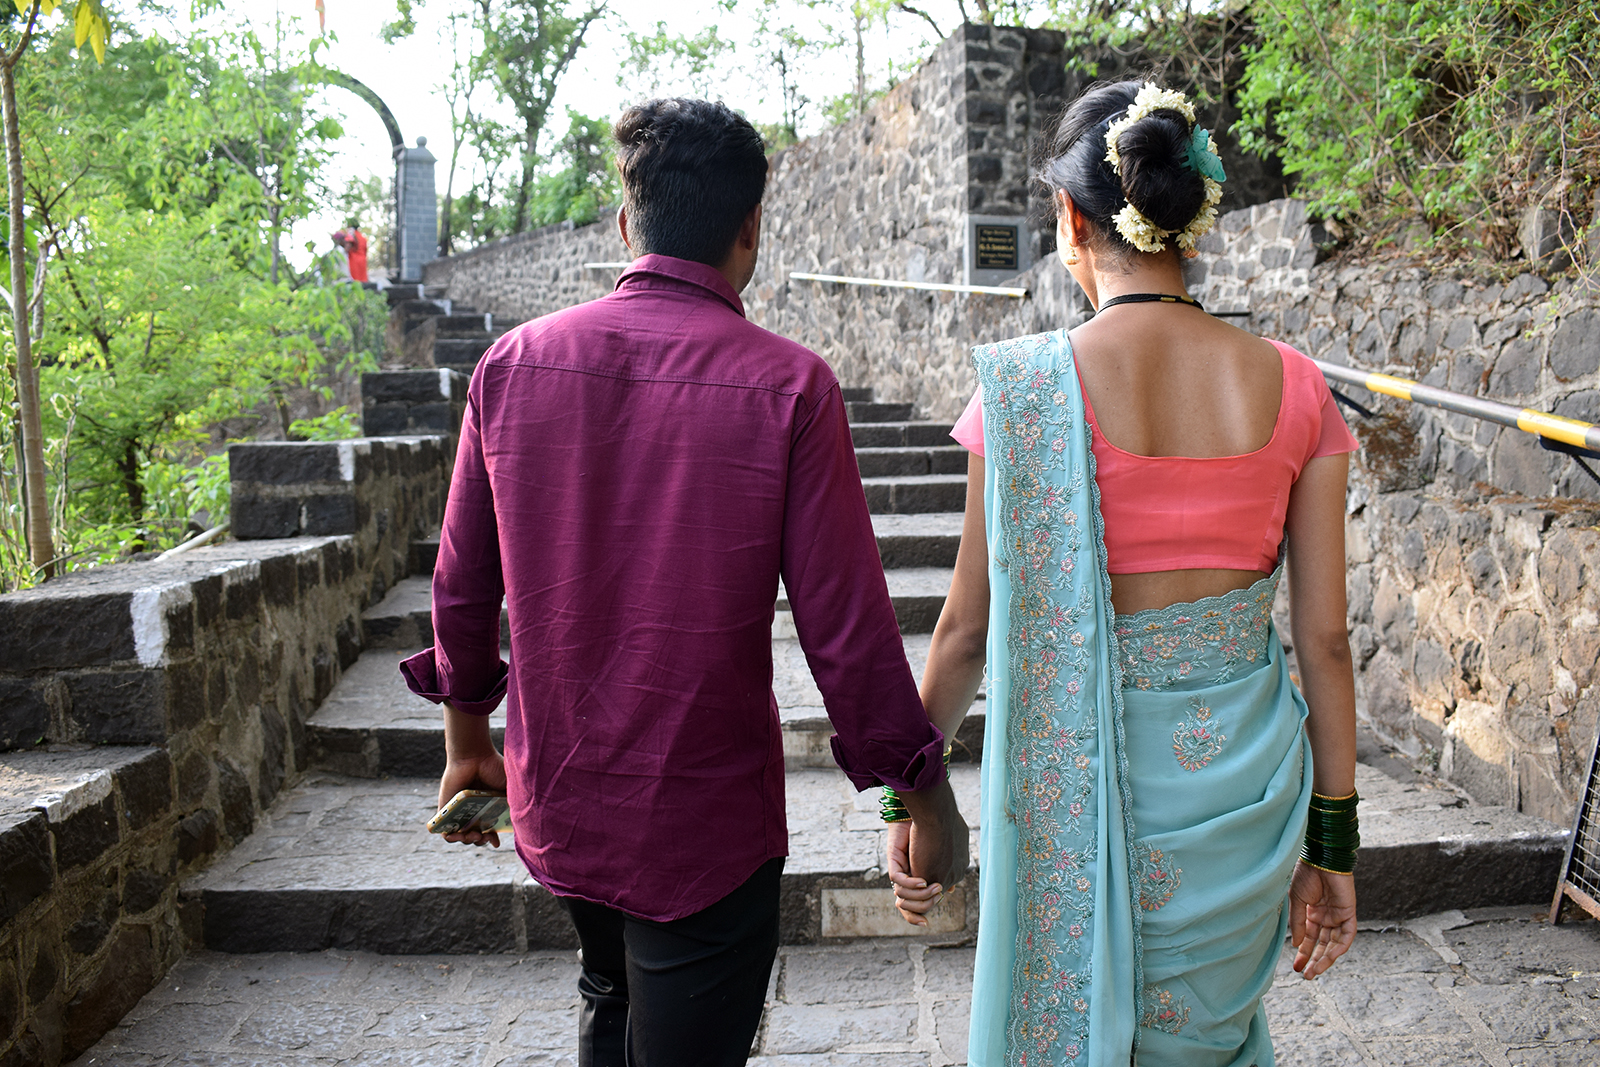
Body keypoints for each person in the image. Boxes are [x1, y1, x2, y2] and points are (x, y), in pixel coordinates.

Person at [398, 97, 968, 1066]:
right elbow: (846, 633)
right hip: (704, 821)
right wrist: (926, 801)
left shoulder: (511, 365)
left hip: (562, 795)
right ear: (750, 230)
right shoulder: (790, 385)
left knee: (608, 987)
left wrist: (466, 743)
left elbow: (460, 584)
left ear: (626, 222)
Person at [889, 81, 1360, 1066]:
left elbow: (964, 635)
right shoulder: (1298, 386)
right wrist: (1334, 845)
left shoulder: (1019, 390)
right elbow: (1323, 641)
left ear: (1070, 218)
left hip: (1083, 814)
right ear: (1197, 212)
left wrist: (908, 797)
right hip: (1243, 804)